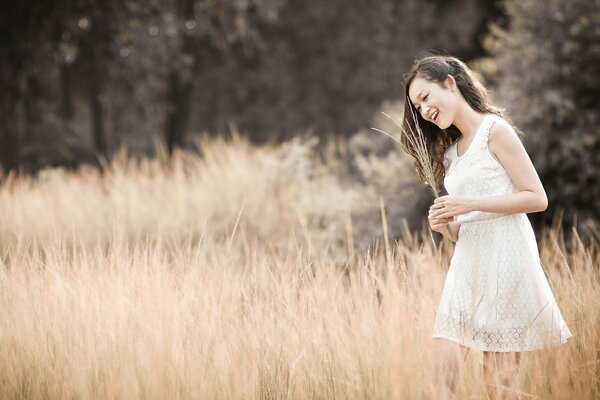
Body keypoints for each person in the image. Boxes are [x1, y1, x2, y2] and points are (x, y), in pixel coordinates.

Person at [402, 54, 573, 400]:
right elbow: (464, 230)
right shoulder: (450, 153)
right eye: (417, 106)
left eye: (425, 98)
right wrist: (445, 227)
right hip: (467, 266)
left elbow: (537, 198)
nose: (422, 111)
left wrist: (471, 204)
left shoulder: (496, 131)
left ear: (450, 82)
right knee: (441, 378)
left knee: (500, 388)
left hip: (506, 262)